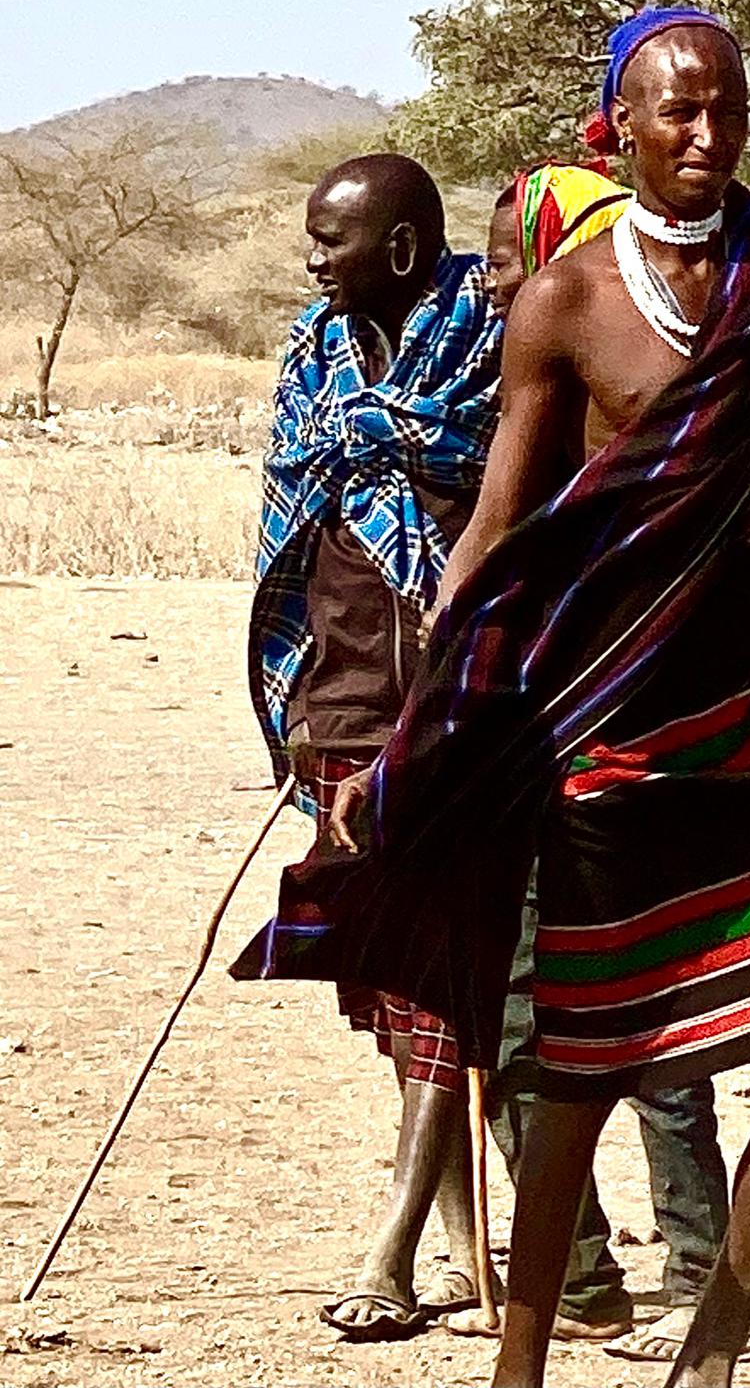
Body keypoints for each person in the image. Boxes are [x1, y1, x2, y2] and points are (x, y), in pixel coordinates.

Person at [257, 7, 750, 1388]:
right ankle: (523, 1362)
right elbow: (499, 527)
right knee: (579, 1061)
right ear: (619, 129)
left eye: (728, 109)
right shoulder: (567, 301)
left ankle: (717, 1353)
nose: (707, 136)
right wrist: (424, 738)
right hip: (612, 730)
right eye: (678, 113)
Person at [235, 153, 503, 1341]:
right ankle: (461, 1250)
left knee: (440, 972)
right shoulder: (314, 360)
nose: (311, 261)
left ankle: (390, 1254)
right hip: (337, 699)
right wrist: (295, 714)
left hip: (454, 711)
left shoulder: (497, 351)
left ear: (398, 251)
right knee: (387, 977)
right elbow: (287, 548)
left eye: (329, 241)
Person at [474, 163, 731, 1364]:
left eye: (509, 261)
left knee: (609, 1014)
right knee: (546, 1012)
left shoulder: (614, 371)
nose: (497, 285)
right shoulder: (523, 373)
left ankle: (666, 1274)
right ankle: (584, 1274)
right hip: (537, 722)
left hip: (619, 724)